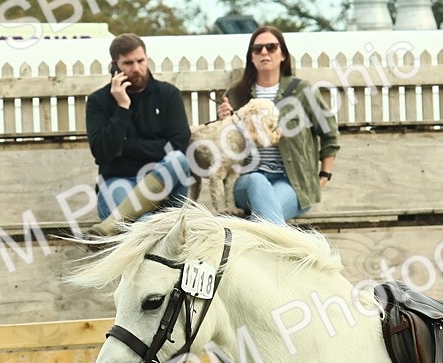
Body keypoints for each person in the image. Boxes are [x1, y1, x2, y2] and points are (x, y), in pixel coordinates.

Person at [217, 26, 340, 225]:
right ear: (251, 57)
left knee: (267, 215)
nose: (264, 52)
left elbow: (329, 133)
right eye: (257, 49)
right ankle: (279, 243)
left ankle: (262, 240)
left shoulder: (302, 91)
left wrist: (324, 175)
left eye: (271, 47)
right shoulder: (236, 94)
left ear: (283, 55)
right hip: (246, 180)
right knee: (257, 181)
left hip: (291, 182)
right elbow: (223, 144)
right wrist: (223, 121)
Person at [84, 33, 192, 238]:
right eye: (128, 63)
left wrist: (124, 147)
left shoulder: (168, 94)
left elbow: (179, 145)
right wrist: (122, 107)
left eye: (140, 61)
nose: (136, 68)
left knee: (178, 159)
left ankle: (115, 222)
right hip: (119, 181)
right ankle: (142, 222)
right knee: (143, 224)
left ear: (147, 59)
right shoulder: (99, 101)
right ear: (115, 66)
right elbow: (102, 152)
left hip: (165, 184)